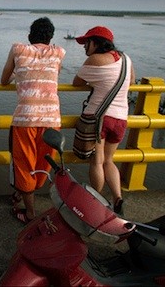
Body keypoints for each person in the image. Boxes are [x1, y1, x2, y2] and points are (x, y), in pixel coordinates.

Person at [1, 17, 66, 224]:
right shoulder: (59, 52)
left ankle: (29, 213)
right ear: (51, 37)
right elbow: (55, 74)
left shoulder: (18, 49)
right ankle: (24, 192)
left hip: (26, 118)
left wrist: (18, 75)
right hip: (51, 119)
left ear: (30, 35)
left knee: (24, 164)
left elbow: (4, 80)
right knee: (43, 164)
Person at [72, 26, 135, 215]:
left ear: (97, 43)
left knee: (97, 162)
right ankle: (118, 198)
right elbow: (131, 81)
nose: (84, 48)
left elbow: (77, 82)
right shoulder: (126, 59)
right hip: (121, 119)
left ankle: (96, 201)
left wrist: (97, 81)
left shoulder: (95, 59)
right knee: (109, 161)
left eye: (87, 43)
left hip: (99, 119)